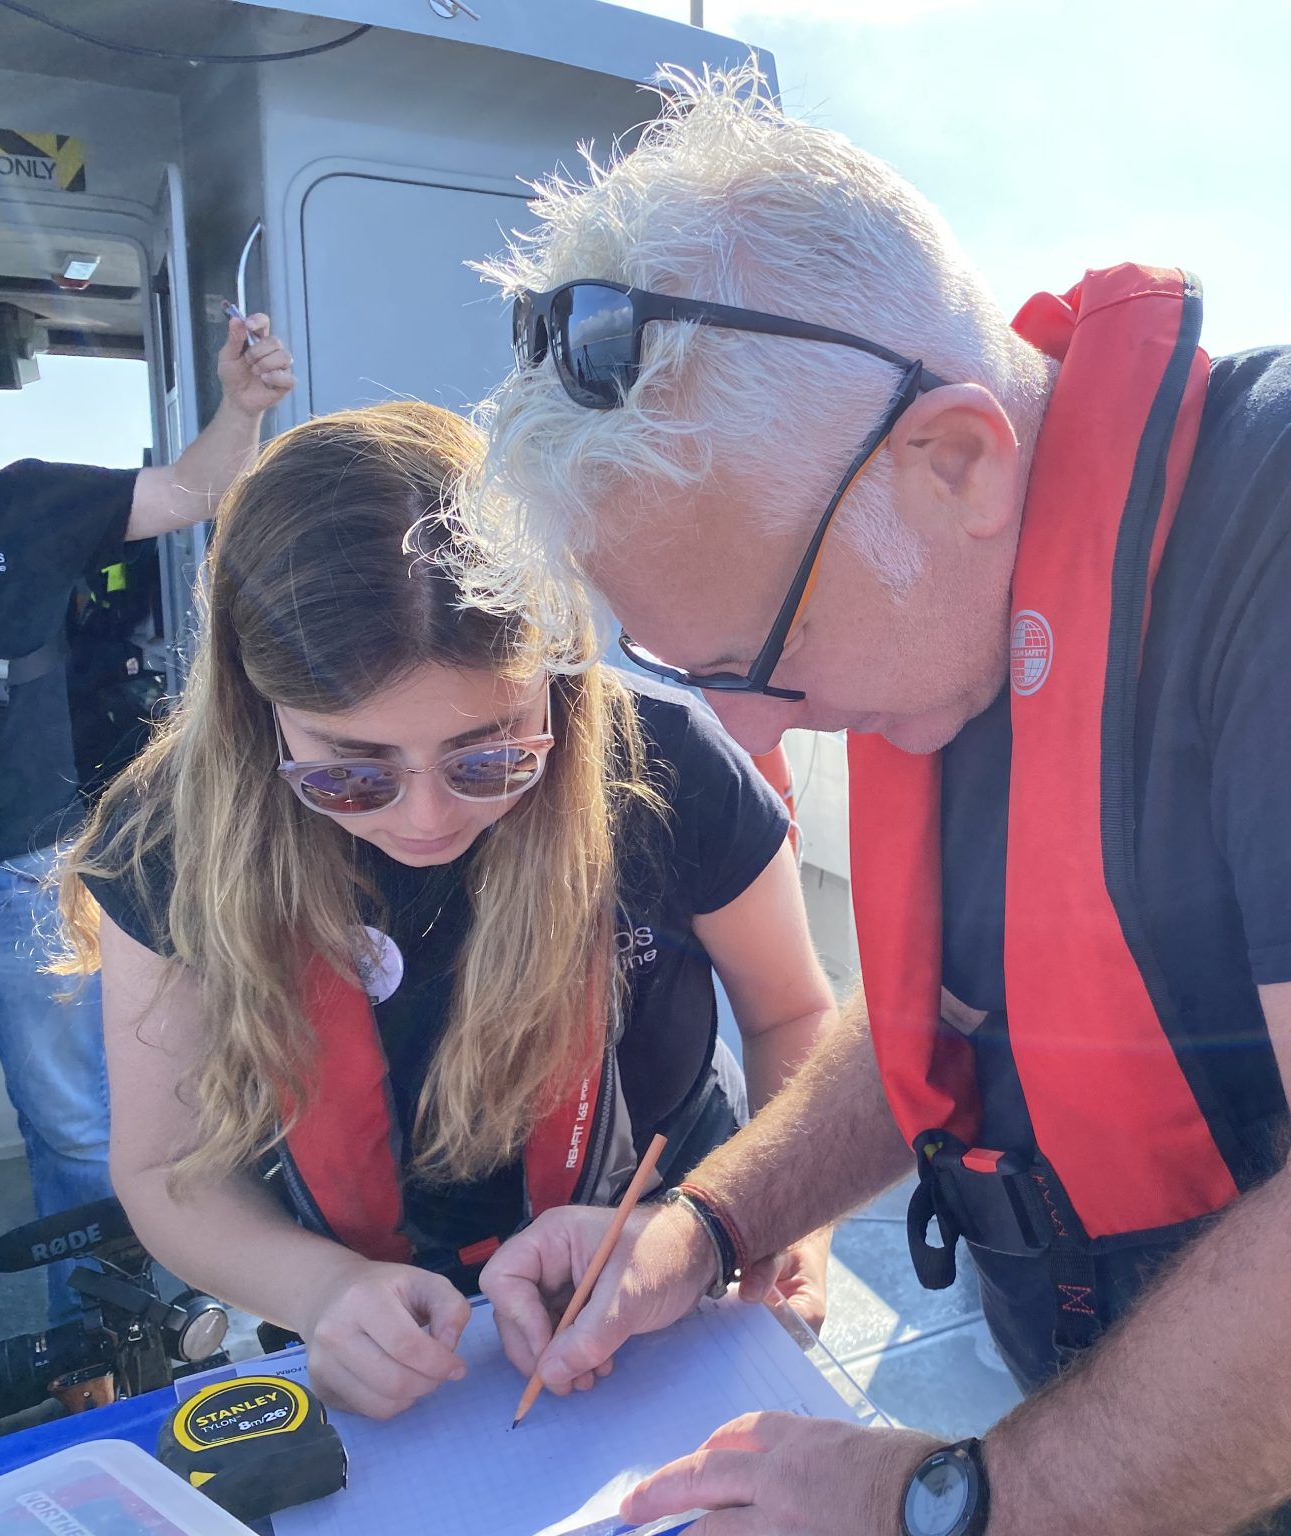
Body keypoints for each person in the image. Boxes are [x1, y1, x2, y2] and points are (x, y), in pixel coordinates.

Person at [456, 70, 1291, 1536]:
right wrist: (704, 1230)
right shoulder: (939, 625)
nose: (748, 727)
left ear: (954, 460)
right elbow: (944, 1019)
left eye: (762, 657)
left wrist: (956, 1502)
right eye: (690, 668)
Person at [57, 402, 836, 1420]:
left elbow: (791, 1017)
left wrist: (758, 1228)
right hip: (363, 1321)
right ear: (257, 714)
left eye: (491, 753)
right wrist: (320, 1292)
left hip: (666, 1269)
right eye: (350, 771)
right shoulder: (170, 835)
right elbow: (162, 1168)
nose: (427, 817)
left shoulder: (668, 761)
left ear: (553, 675)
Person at [0, 308, 292, 1313]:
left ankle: (99, 1337)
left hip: (30, 870)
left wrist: (240, 406)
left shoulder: (24, 501)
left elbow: (188, 491)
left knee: (75, 1122)